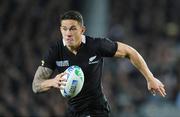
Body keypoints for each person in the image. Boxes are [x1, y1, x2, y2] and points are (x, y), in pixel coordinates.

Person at [32, 10, 166, 117]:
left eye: (73, 29)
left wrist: (150, 78)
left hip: (97, 110)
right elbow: (36, 85)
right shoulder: (55, 51)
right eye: (64, 29)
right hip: (73, 112)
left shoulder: (96, 45)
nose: (68, 33)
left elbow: (130, 52)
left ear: (82, 30)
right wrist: (52, 82)